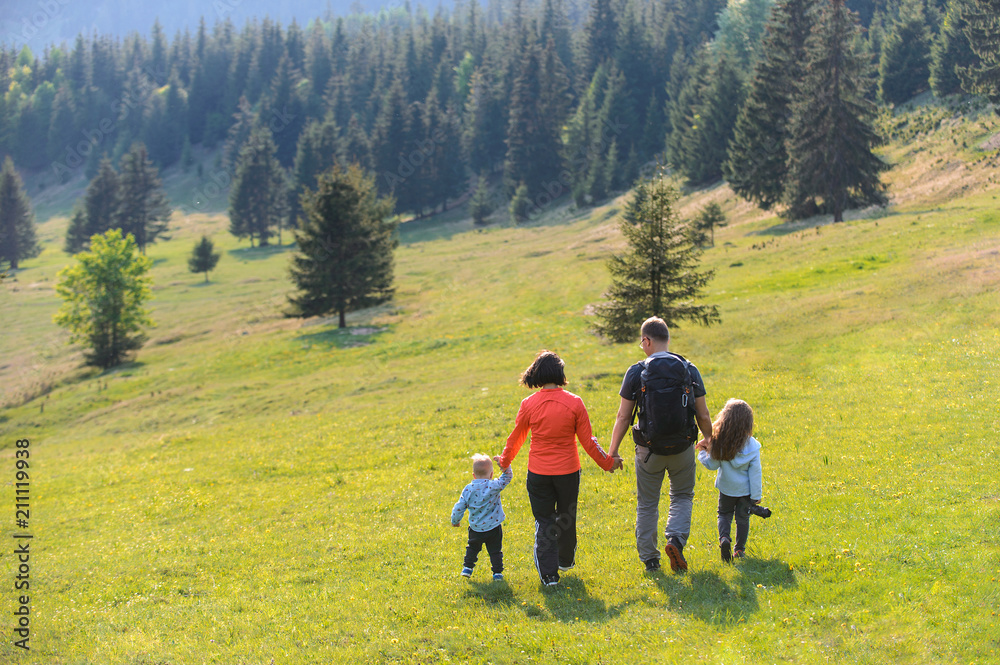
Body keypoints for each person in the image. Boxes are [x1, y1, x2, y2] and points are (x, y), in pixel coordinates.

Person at [497, 350, 616, 587]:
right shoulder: (575, 402)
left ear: (537, 374)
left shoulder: (529, 403)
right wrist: (608, 463)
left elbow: (517, 437)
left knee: (545, 521)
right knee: (566, 516)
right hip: (568, 473)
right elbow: (588, 440)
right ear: (560, 373)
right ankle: (565, 560)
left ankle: (549, 576)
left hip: (539, 473)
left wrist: (504, 460)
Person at [607, 317, 713, 573]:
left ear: (647, 341)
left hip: (648, 451)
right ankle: (675, 540)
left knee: (647, 503)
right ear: (668, 339)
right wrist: (709, 439)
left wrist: (613, 452)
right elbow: (703, 414)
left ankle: (650, 560)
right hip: (682, 448)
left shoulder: (636, 371)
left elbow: (623, 417)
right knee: (682, 496)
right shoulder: (689, 369)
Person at [695, 399, 770, 562]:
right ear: (748, 424)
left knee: (724, 514)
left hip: (727, 489)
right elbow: (755, 473)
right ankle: (739, 550)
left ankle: (724, 539)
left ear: (725, 419)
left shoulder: (721, 443)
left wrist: (702, 451)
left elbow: (712, 465)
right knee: (742, 519)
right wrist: (756, 495)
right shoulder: (753, 446)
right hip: (745, 491)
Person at [451, 453, 513, 581]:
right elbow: (507, 477)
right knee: (495, 551)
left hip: (476, 527)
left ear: (473, 475)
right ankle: (497, 573)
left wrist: (455, 521)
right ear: (491, 475)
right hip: (494, 527)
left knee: (472, 547)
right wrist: (504, 464)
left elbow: (459, 507)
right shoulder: (493, 486)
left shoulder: (468, 489)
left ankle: (467, 567)